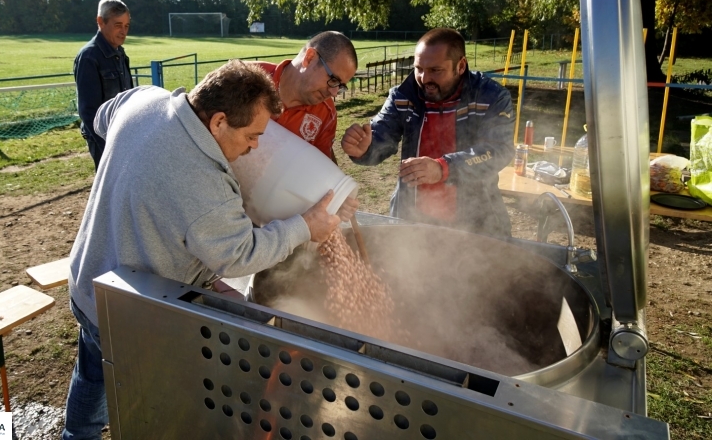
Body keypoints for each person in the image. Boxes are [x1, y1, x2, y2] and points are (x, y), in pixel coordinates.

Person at [62, 60, 341, 440]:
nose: (255, 147)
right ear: (218, 122)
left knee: (92, 371)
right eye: (251, 136)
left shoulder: (146, 100)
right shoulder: (204, 184)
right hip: (130, 314)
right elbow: (242, 254)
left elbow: (102, 118)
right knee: (142, 402)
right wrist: (305, 226)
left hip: (86, 277)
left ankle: (76, 432)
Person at [341, 28, 515, 237]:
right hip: (412, 220)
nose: (424, 79)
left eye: (436, 70)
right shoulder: (403, 95)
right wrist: (365, 148)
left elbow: (499, 151)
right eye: (419, 69)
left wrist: (443, 168)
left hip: (477, 224)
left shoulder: (491, 97)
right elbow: (381, 135)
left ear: (460, 66)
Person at [254, 31, 358, 161]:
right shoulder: (244, 78)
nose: (334, 93)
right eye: (333, 80)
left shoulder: (326, 113)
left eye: (340, 86)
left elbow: (320, 167)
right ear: (309, 58)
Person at [74, 0, 133, 170]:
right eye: (118, 25)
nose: (123, 32)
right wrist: (109, 147)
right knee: (110, 189)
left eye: (127, 26)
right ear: (100, 21)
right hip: (104, 140)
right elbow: (88, 112)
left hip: (123, 134)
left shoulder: (120, 54)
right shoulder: (89, 57)